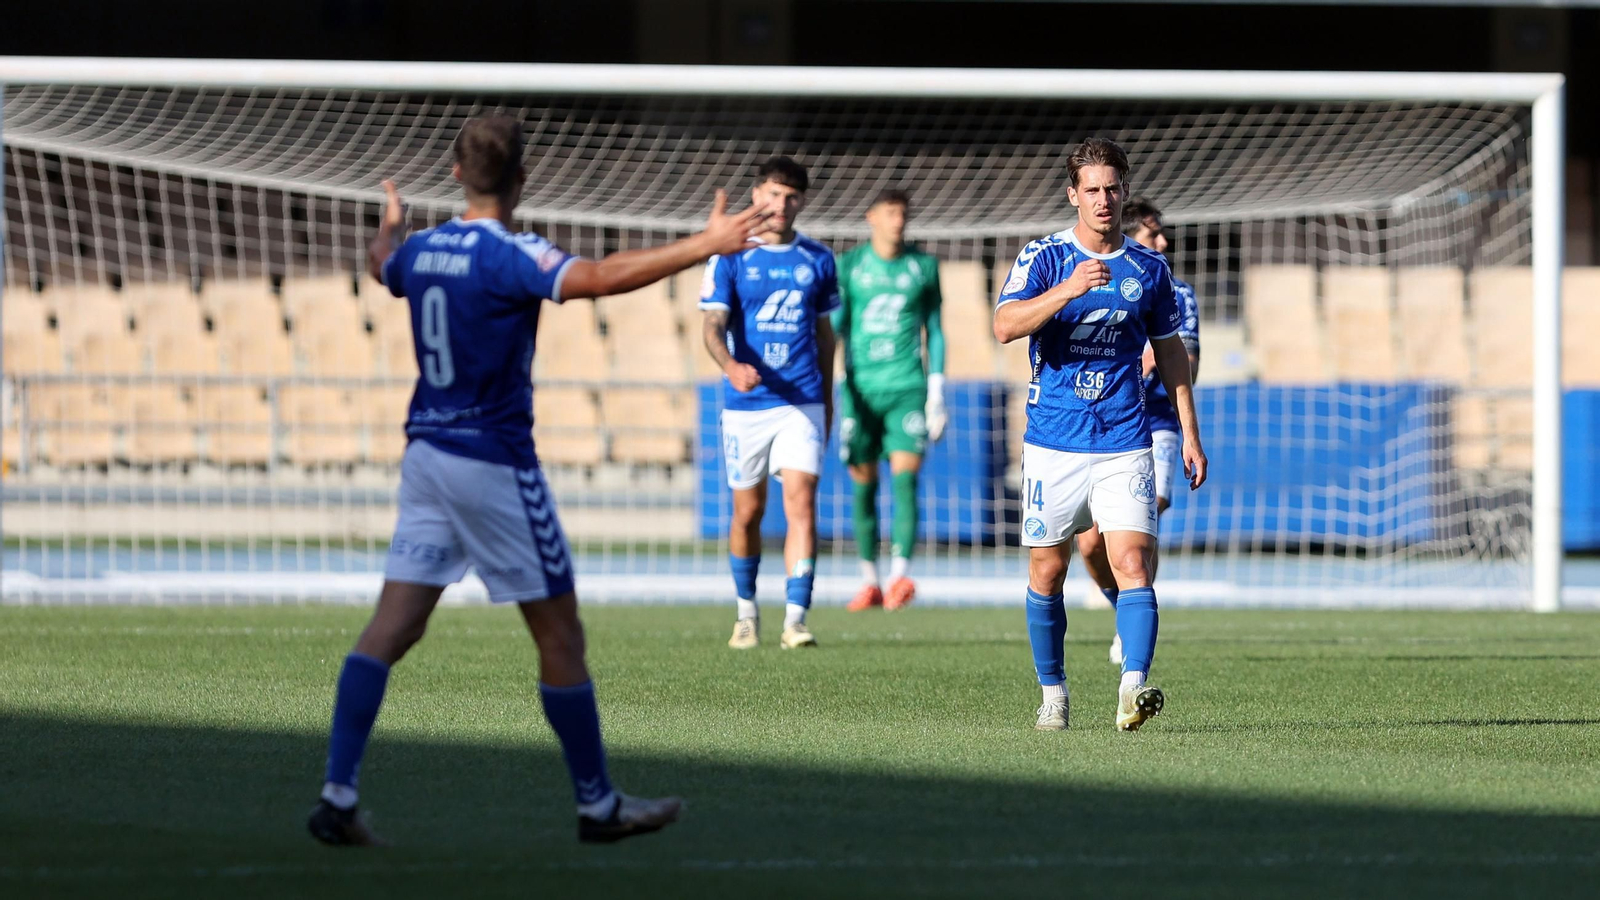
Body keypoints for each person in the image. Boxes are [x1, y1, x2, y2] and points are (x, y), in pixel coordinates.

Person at [307, 113, 769, 846]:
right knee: (559, 631)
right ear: (524, 180)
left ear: (456, 174)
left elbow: (379, 265)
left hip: (426, 457)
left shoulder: (422, 251)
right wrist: (705, 247)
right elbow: (599, 278)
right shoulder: (511, 256)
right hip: (492, 462)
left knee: (392, 626)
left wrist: (390, 226)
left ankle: (337, 792)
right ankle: (597, 806)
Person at [992, 138, 1208, 733]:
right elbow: (1005, 324)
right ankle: (1054, 694)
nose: (1104, 199)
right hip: (1053, 441)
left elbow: (1170, 356)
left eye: (1113, 187)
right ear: (1073, 196)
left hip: (1125, 436)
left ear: (1126, 190)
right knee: (1047, 571)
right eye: (1092, 189)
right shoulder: (1043, 257)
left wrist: (1190, 433)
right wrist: (1067, 290)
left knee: (1132, 561)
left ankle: (1132, 689)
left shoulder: (1149, 269)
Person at [699, 157, 838, 650]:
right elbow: (712, 326)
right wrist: (730, 366)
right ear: (757, 194)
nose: (782, 204)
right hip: (747, 404)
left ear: (802, 201)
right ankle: (746, 613)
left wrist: (827, 396)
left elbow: (826, 337)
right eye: (774, 194)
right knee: (747, 512)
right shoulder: (730, 256)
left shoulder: (818, 259)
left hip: (801, 401)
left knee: (801, 503)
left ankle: (796, 619)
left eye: (792, 196)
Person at [1074, 198, 1201, 666]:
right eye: (1153, 235)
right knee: (1089, 543)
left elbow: (1190, 363)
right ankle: (1125, 615)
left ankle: (1137, 625)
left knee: (1140, 527)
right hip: (1099, 425)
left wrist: (1156, 361)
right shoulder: (1092, 282)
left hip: (1159, 425)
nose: (1164, 242)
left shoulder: (1178, 292)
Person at [835, 189, 947, 613]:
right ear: (871, 218)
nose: (897, 221)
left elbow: (935, 330)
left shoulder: (923, 267)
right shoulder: (849, 267)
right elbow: (837, 326)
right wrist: (835, 384)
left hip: (907, 388)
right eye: (889, 213)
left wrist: (937, 391)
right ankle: (868, 580)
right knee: (863, 486)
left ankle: (899, 576)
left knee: (905, 481)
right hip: (860, 390)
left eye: (903, 213)